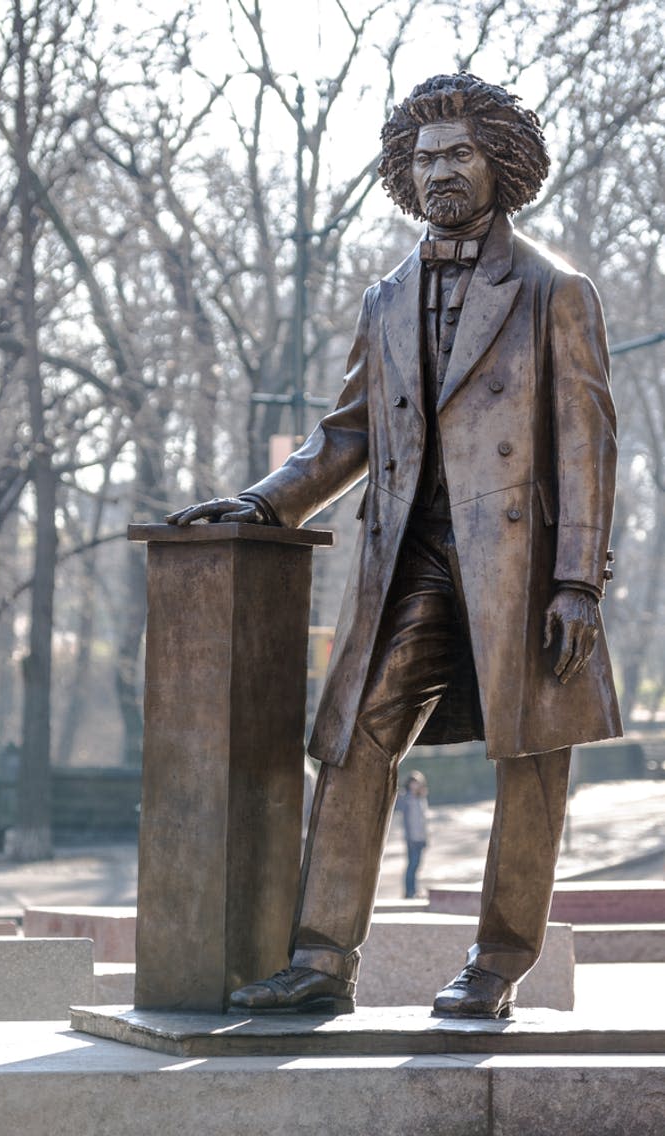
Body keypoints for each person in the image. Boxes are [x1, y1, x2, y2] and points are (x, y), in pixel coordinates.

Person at [168, 72, 621, 1019]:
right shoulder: (387, 295)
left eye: (459, 153)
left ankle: (496, 963)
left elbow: (587, 440)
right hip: (408, 552)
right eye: (424, 158)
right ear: (402, 176)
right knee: (356, 739)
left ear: (499, 162)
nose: (440, 172)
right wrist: (259, 505)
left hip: (518, 566)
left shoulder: (553, 288)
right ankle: (323, 960)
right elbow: (344, 437)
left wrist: (578, 577)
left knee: (530, 760)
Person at [397, 772, 428, 898]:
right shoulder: (407, 799)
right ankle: (409, 892)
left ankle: (414, 890)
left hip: (421, 837)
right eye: (413, 783)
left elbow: (423, 820)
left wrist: (426, 837)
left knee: (417, 866)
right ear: (409, 784)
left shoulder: (421, 799)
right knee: (412, 865)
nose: (415, 785)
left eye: (418, 783)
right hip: (412, 838)